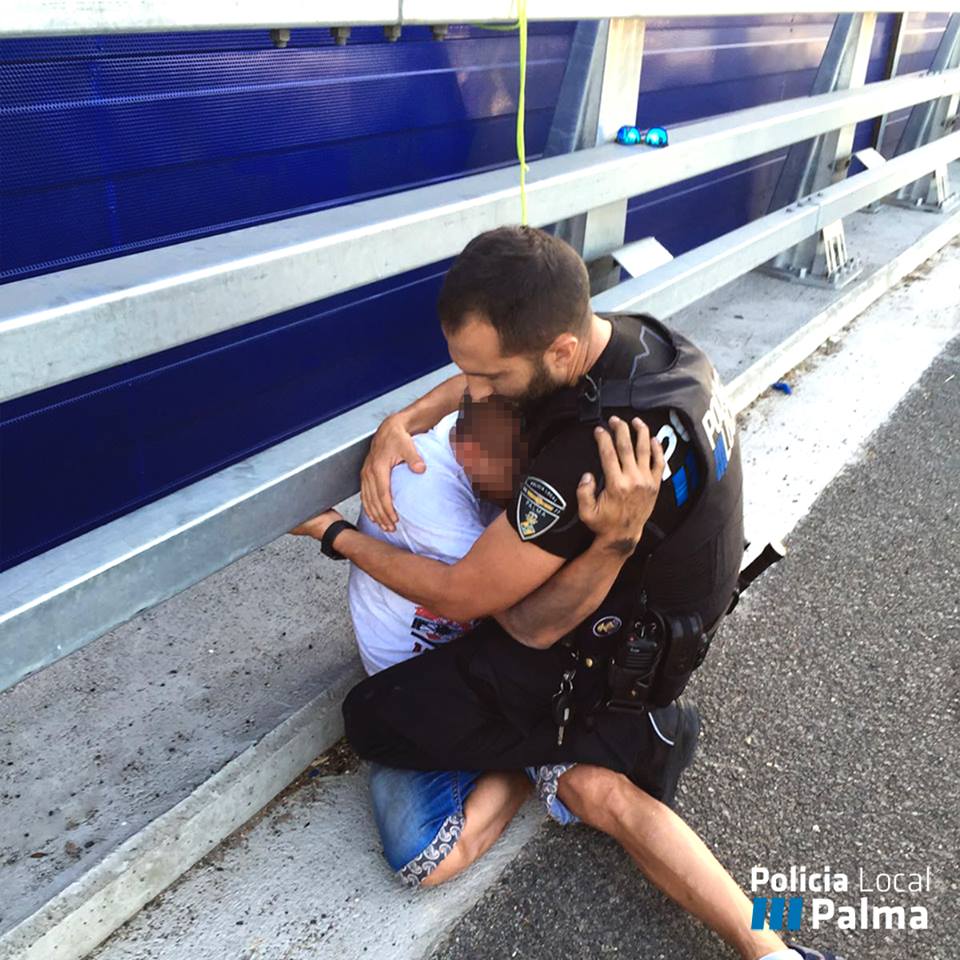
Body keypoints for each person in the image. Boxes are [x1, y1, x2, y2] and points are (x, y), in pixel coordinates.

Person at [290, 225, 845, 960]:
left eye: (490, 379)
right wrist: (408, 418)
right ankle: (775, 951)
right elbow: (479, 379)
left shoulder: (592, 454)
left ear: (557, 351)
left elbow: (475, 601)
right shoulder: (641, 344)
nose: (474, 396)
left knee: (373, 719)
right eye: (469, 376)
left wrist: (336, 534)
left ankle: (547, 743)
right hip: (662, 626)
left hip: (606, 652)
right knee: (592, 790)